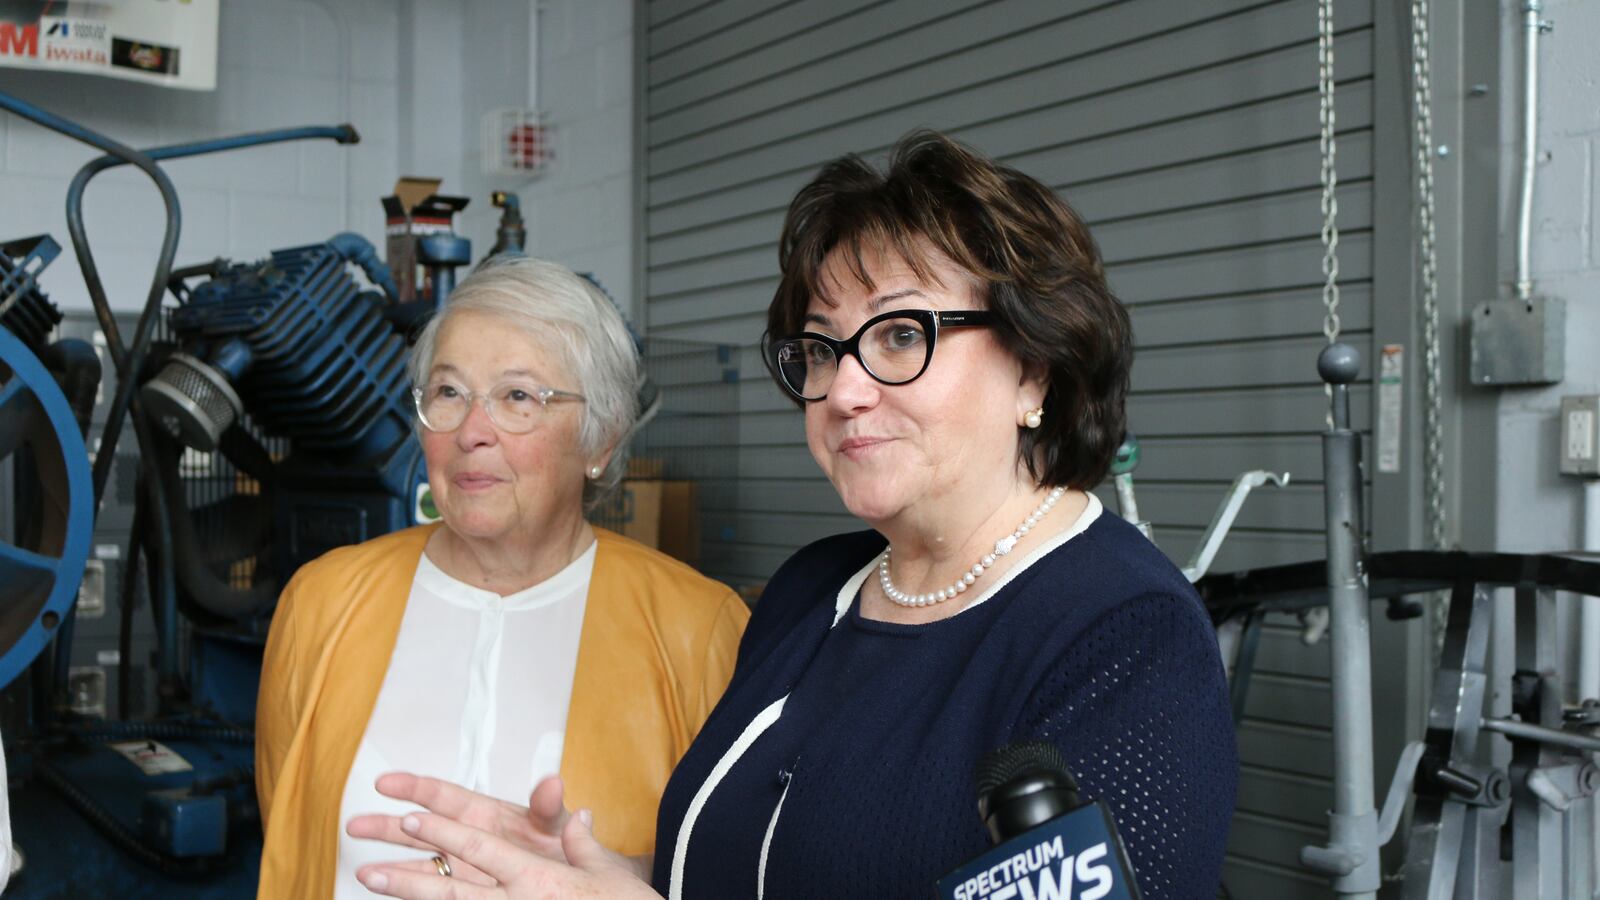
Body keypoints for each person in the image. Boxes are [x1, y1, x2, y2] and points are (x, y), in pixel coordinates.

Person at [347, 130, 1238, 899]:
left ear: (1035, 369)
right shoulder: (814, 591)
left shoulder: (1123, 636)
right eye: (820, 347)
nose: (844, 390)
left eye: (899, 335)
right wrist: (612, 876)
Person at [254, 256, 749, 898]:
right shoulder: (321, 602)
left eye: (518, 396)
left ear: (601, 441)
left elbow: (738, 870)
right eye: (448, 392)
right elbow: (290, 840)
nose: (471, 432)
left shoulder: (699, 629)